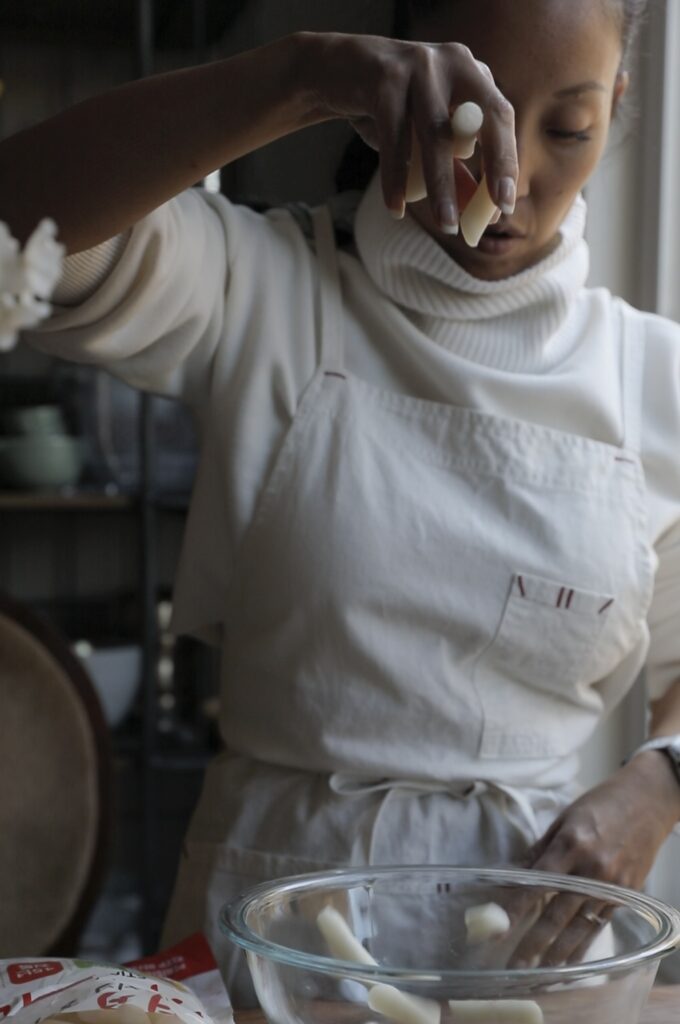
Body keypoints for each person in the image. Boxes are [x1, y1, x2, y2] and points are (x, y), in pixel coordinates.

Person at [2, 0, 680, 1003]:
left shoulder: (653, 382)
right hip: (268, 930)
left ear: (617, 105)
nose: (509, 179)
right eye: (473, 120)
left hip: (536, 946)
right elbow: (19, 216)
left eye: (566, 129)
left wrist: (660, 779)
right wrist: (297, 78)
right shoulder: (263, 290)